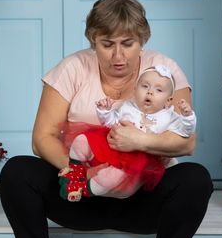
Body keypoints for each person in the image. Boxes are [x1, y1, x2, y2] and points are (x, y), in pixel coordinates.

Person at [0, 0, 213, 238]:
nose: (118, 55)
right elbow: (41, 138)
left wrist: (137, 142)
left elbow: (186, 142)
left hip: (142, 198)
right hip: (80, 196)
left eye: (128, 43)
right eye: (106, 43)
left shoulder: (164, 70)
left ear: (143, 39)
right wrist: (76, 171)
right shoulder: (72, 68)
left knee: (196, 178)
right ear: (92, 40)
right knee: (16, 172)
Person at [59, 64, 197, 202]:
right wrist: (105, 111)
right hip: (113, 146)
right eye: (145, 86)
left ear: (168, 100)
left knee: (111, 177)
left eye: (159, 90)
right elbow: (110, 123)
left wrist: (188, 117)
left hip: (137, 159)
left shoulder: (169, 116)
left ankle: (83, 188)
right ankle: (74, 171)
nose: (150, 92)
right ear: (135, 90)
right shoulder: (128, 106)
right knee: (82, 140)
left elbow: (185, 132)